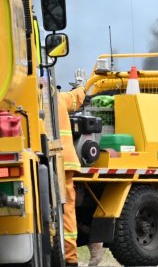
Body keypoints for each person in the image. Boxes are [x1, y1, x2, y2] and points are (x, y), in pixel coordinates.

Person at [61, 69, 104, 266]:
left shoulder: (23, 100)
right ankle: (70, 259)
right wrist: (81, 85)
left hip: (46, 164)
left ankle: (66, 257)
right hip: (66, 163)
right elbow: (77, 98)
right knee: (67, 211)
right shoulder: (56, 97)